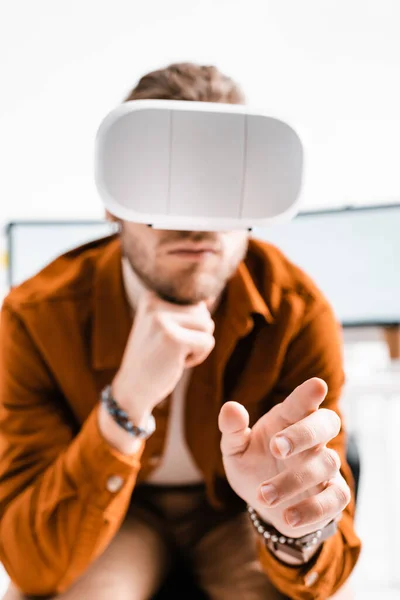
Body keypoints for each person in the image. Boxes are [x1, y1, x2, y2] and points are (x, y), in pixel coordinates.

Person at [0, 62, 361, 600]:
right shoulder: (34, 318)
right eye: (163, 184)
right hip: (116, 513)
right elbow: (30, 564)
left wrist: (293, 520)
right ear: (111, 200)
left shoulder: (298, 312)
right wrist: (125, 406)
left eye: (222, 187)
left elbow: (323, 570)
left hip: (235, 514)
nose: (196, 221)